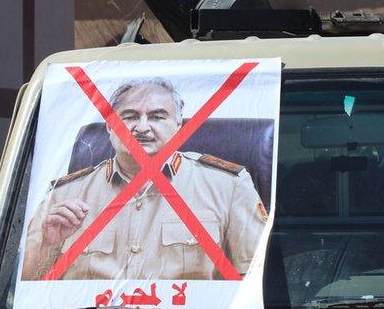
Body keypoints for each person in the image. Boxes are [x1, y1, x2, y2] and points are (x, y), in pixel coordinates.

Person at [21, 77, 269, 281]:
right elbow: (23, 289)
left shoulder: (229, 187)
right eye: (129, 117)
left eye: (157, 117)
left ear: (179, 126)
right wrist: (47, 245)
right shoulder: (64, 194)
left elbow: (253, 285)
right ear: (109, 126)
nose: (141, 128)